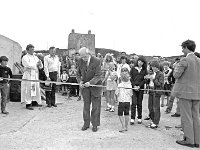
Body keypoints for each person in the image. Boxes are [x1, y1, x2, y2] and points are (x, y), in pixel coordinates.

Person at [172, 40, 200, 148]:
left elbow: (175, 75)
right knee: (196, 116)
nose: (182, 50)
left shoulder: (184, 60)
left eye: (183, 48)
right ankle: (197, 140)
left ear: (187, 48)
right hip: (197, 93)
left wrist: (176, 67)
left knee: (186, 117)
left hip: (185, 93)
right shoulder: (199, 60)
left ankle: (189, 140)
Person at [76, 47, 102, 132]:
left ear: (89, 54)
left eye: (85, 57)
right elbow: (78, 74)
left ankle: (94, 124)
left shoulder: (97, 61)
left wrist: (90, 83)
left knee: (95, 107)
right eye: (82, 57)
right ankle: (86, 124)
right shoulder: (80, 61)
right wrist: (80, 81)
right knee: (86, 106)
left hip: (95, 87)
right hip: (85, 88)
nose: (83, 59)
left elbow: (98, 75)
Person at [21, 44, 43, 110]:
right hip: (28, 75)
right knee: (28, 89)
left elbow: (40, 65)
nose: (32, 51)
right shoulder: (25, 57)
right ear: (27, 50)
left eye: (33, 49)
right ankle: (28, 103)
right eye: (31, 50)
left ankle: (34, 101)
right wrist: (36, 64)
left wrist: (40, 64)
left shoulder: (35, 57)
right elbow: (28, 65)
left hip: (35, 74)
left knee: (35, 88)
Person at [145, 60, 164, 129]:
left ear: (156, 67)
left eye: (153, 67)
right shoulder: (152, 73)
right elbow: (148, 82)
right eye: (151, 67)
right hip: (150, 90)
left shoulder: (160, 74)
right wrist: (147, 78)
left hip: (156, 92)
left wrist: (153, 79)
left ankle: (156, 122)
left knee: (156, 108)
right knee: (150, 106)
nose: (152, 68)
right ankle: (153, 120)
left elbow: (160, 84)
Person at [130, 56, 147, 125]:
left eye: (142, 62)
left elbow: (145, 79)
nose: (140, 63)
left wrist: (139, 86)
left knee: (139, 103)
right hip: (133, 88)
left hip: (141, 88)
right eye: (139, 61)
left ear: (143, 63)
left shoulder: (144, 70)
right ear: (137, 61)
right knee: (134, 103)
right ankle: (132, 118)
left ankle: (139, 117)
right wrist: (134, 86)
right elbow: (130, 78)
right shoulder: (133, 68)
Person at [115, 67, 132, 132]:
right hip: (127, 101)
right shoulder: (130, 86)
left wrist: (116, 100)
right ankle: (126, 126)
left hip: (121, 101)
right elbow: (131, 94)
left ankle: (123, 126)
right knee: (126, 114)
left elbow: (116, 93)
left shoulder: (120, 85)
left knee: (120, 114)